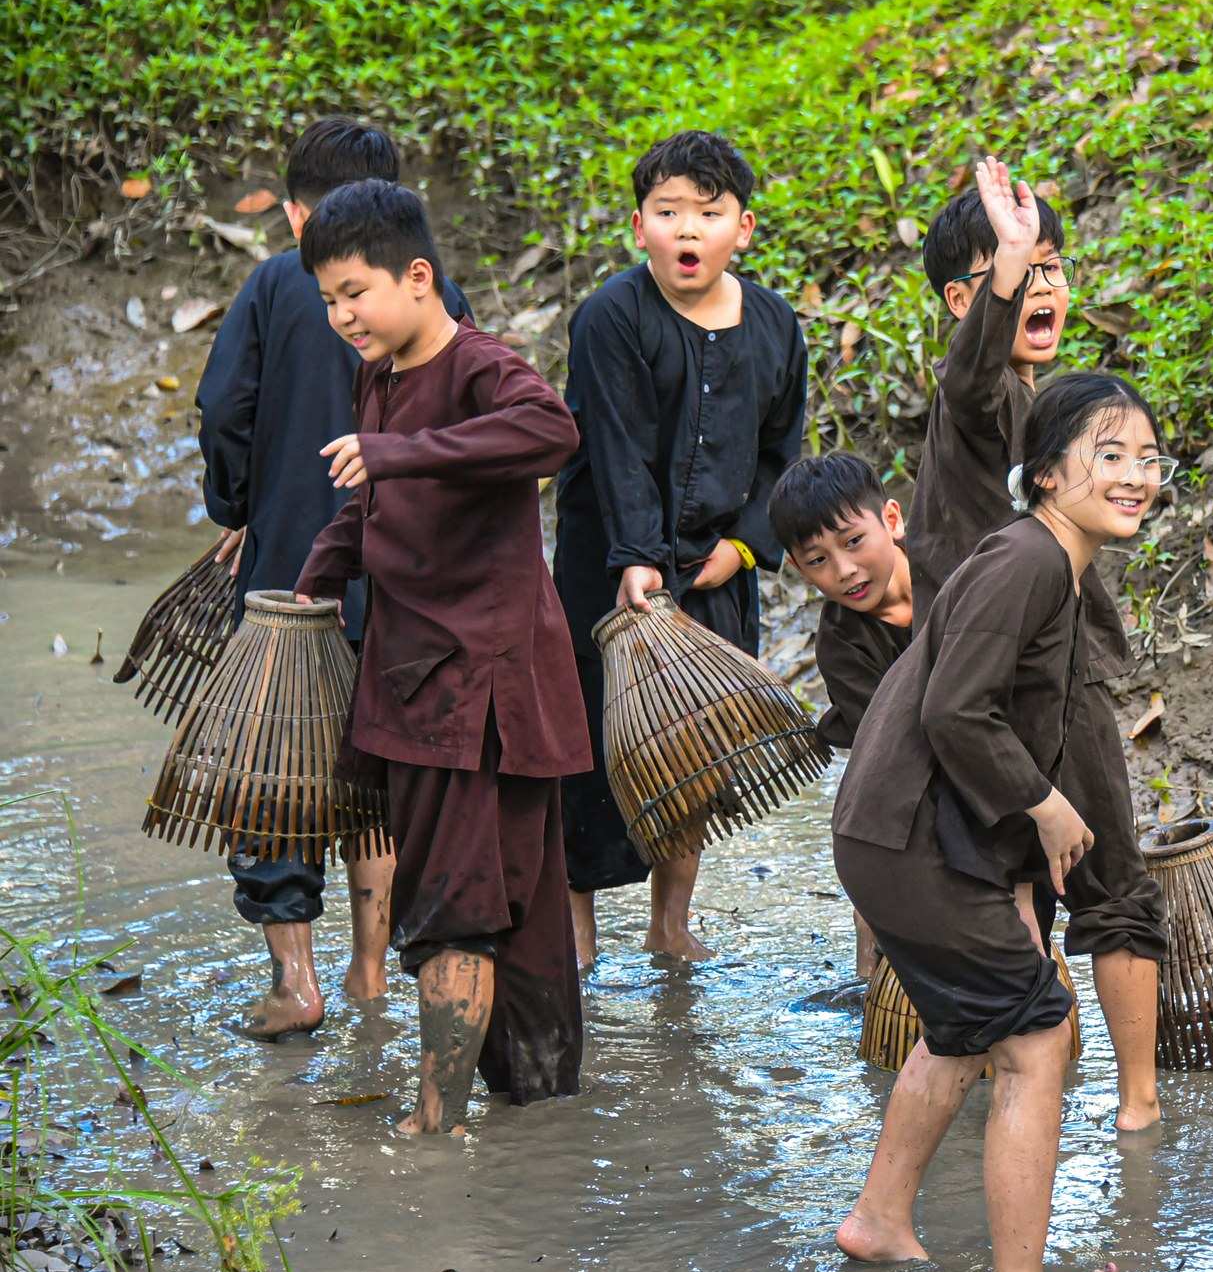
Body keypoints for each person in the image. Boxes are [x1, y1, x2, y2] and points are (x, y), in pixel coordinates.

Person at [832, 372, 1167, 1272]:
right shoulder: (1027, 559)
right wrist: (1048, 806)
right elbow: (957, 712)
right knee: (1036, 1035)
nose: (1136, 474)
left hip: (901, 834)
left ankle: (879, 1217)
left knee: (963, 1026)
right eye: (1110, 455)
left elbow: (1003, 721)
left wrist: (1015, 871)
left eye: (1147, 457)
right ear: (1048, 474)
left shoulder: (1049, 563)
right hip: (909, 838)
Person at [294, 180, 587, 1134]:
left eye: (355, 293)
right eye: (329, 300)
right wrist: (320, 574)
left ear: (418, 277)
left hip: (482, 692)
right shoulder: (376, 373)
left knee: (460, 906)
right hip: (417, 675)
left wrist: (401, 453)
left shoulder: (480, 365)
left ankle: (435, 1124)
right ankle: (541, 1118)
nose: (342, 316)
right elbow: (375, 495)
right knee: (508, 903)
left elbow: (553, 430)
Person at [196, 116, 472, 1040]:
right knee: (379, 767)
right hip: (400, 581)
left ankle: (295, 981)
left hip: (290, 573)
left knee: (276, 769)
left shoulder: (279, 282)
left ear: (294, 211)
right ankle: (369, 969)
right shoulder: (437, 297)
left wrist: (236, 506)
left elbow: (225, 406)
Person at [906, 156, 1166, 1132]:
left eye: (1053, 265)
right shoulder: (975, 400)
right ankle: (1024, 1093)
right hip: (982, 705)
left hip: (1063, 689)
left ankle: (1136, 1110)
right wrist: (1006, 262)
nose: (1043, 286)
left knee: (1111, 885)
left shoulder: (1044, 412)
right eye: (1019, 271)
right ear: (962, 299)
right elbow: (972, 364)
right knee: (1007, 888)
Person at [551, 130, 807, 973]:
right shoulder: (611, 318)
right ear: (638, 226)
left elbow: (781, 453)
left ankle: (670, 921)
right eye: (668, 213)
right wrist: (637, 559)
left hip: (714, 568)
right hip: (607, 567)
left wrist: (744, 548)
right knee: (587, 744)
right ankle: (577, 929)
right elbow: (617, 446)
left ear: (745, 228)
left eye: (708, 213)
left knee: (694, 748)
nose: (688, 231)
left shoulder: (774, 325)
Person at [768, 451, 914, 977]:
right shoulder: (840, 644)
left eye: (854, 542)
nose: (845, 570)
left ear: (892, 520)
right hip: (900, 770)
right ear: (797, 568)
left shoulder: (953, 575)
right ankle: (870, 955)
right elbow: (893, 747)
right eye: (818, 560)